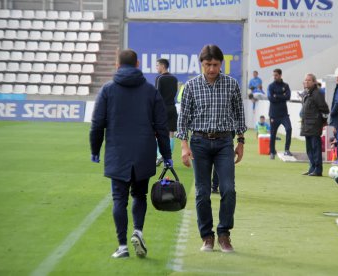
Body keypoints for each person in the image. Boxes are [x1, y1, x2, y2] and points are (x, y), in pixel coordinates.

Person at [89, 49, 172, 258]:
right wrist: (166, 154)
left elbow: (97, 124)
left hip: (117, 152)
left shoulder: (107, 90)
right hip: (144, 152)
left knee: (119, 199)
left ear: (117, 65)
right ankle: (138, 231)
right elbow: (162, 127)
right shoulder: (150, 91)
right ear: (137, 64)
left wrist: (95, 149)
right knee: (140, 195)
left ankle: (122, 246)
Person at [177, 44, 247, 253]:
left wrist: (241, 141)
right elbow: (184, 119)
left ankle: (224, 234)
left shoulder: (232, 85)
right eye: (208, 65)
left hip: (225, 142)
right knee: (202, 192)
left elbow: (239, 114)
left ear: (221, 64)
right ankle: (207, 236)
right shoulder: (190, 87)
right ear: (202, 64)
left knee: (228, 189)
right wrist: (184, 146)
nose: (211, 69)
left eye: (215, 65)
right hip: (199, 143)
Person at [300, 73, 330, 176]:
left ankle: (318, 169)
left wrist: (322, 122)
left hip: (314, 125)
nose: (306, 82)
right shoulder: (307, 93)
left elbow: (325, 109)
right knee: (309, 149)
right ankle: (312, 167)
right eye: (305, 80)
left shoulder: (317, 93)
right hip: (307, 125)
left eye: (309, 80)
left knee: (315, 148)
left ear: (314, 82)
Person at [155, 58, 178, 166]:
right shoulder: (174, 79)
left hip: (162, 109)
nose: (156, 68)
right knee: (171, 134)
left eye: (157, 65)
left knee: (158, 134)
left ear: (162, 66)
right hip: (172, 108)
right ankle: (167, 159)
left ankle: (160, 156)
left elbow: (157, 96)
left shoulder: (159, 79)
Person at [267, 68, 293, 159]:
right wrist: (282, 96)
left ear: (280, 75)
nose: (274, 77)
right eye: (274, 75)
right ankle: (272, 152)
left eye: (276, 75)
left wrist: (277, 96)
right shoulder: (271, 86)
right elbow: (271, 98)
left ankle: (287, 150)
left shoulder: (285, 86)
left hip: (284, 114)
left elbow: (288, 96)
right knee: (273, 134)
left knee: (289, 129)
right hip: (274, 114)